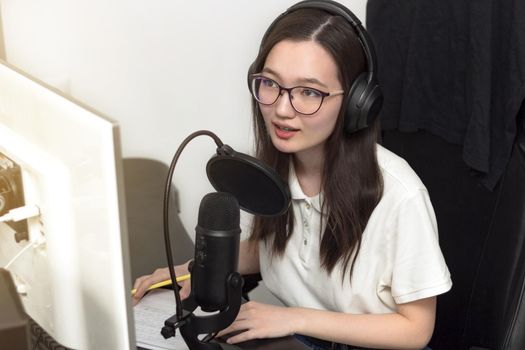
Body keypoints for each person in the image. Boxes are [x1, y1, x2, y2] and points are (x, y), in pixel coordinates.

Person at [132, 1, 452, 349]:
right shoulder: (278, 167)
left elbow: (416, 329)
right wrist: (194, 271)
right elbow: (272, 249)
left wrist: (293, 317)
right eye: (270, 84)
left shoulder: (399, 194)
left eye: (309, 92)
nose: (282, 110)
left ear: (357, 102)